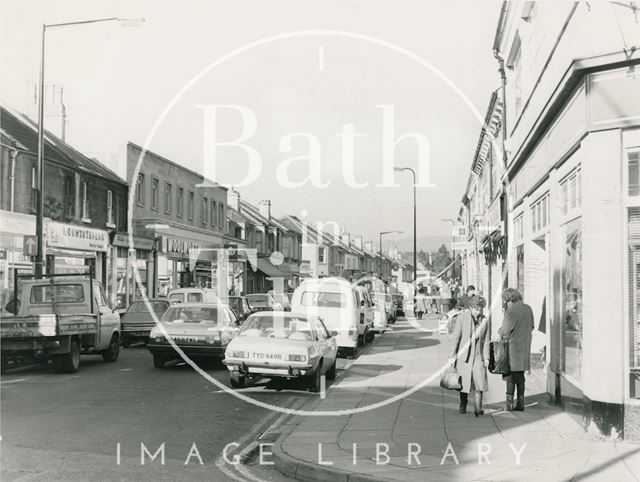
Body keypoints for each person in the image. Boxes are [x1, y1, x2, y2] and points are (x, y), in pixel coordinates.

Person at [450, 295, 490, 416]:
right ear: (471, 308)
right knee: (464, 381)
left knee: (479, 381)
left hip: (478, 355)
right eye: (477, 309)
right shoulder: (462, 318)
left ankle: (478, 407)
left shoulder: (484, 320)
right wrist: (452, 355)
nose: (479, 311)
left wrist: (487, 356)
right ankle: (463, 404)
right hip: (465, 356)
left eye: (481, 309)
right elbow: (456, 338)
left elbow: (486, 340)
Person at [499, 288, 534, 411]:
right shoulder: (528, 308)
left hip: (512, 349)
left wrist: (501, 332)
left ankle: (509, 405)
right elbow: (532, 326)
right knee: (520, 377)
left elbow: (505, 331)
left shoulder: (512, 310)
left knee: (510, 377)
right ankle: (520, 403)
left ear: (509, 300)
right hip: (524, 348)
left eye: (505, 300)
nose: (505, 303)